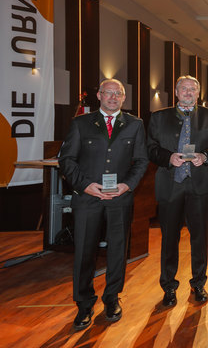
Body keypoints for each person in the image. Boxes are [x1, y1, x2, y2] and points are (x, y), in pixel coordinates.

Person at [59, 79, 149, 330]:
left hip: (120, 198)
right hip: (87, 198)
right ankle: (84, 304)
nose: (113, 97)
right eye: (108, 93)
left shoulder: (135, 124)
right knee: (85, 253)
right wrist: (85, 185)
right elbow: (67, 160)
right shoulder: (81, 123)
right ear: (98, 96)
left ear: (123, 97)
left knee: (117, 251)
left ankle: (112, 299)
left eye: (117, 93)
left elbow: (141, 161)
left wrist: (127, 185)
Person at [147, 75, 208, 307]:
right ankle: (168, 287)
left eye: (193, 89)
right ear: (176, 92)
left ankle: (198, 284)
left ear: (198, 94)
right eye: (184, 89)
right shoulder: (159, 117)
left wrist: (205, 156)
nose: (188, 93)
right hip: (170, 185)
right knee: (169, 239)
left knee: (199, 238)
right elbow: (150, 148)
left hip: (199, 185)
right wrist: (168, 157)